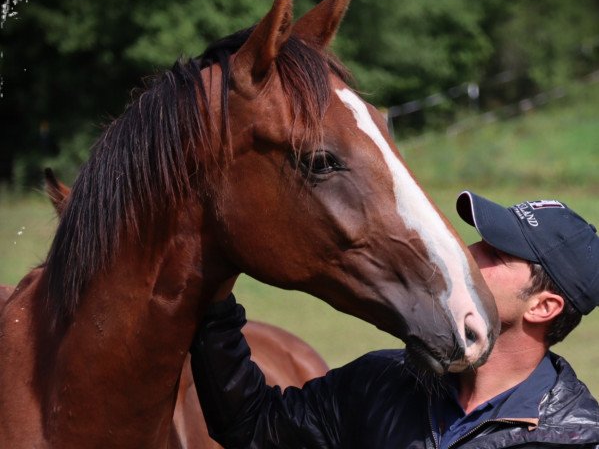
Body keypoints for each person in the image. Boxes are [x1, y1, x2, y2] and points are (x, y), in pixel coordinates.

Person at [190, 191, 599, 448]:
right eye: (480, 240)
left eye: (497, 253)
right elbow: (253, 427)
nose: (469, 254)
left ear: (543, 307)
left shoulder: (575, 437)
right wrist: (214, 306)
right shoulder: (381, 380)